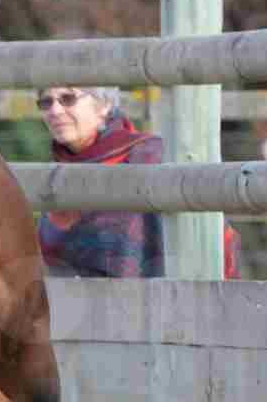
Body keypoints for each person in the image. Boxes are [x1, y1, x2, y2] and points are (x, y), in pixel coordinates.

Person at [36, 86, 240, 278]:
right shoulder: (54, 174)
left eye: (68, 99)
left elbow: (208, 239)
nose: (54, 111)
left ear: (104, 105)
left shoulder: (150, 156)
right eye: (46, 102)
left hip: (158, 304)